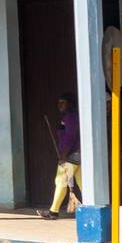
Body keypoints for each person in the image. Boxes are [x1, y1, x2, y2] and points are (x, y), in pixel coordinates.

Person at [37, 92, 82, 220]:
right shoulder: (70, 116)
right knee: (82, 181)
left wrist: (64, 154)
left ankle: (53, 211)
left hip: (72, 154)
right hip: (77, 153)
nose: (59, 105)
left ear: (70, 103)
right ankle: (94, 205)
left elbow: (70, 137)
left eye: (62, 102)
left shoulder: (71, 118)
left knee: (60, 180)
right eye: (58, 102)